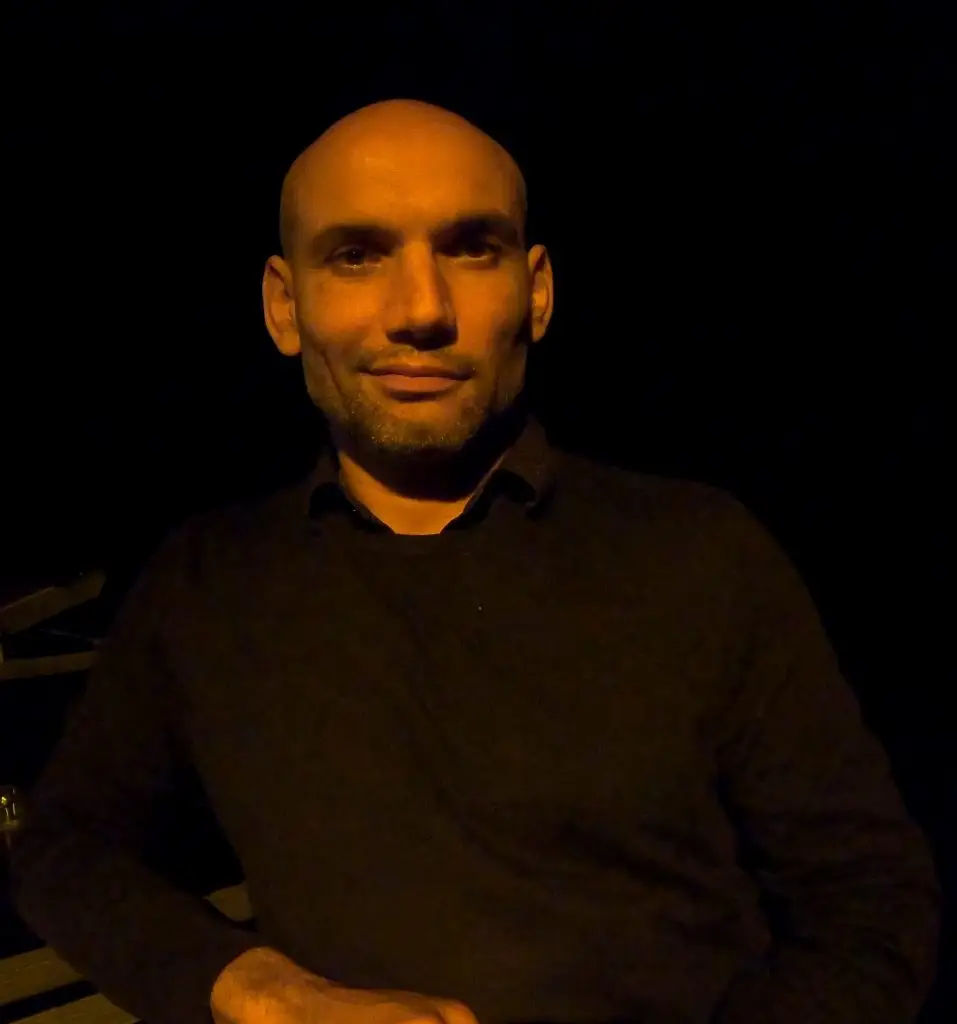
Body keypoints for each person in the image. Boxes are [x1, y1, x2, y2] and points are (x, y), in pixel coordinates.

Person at [9, 98, 940, 1024]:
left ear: (536, 291)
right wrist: (257, 993)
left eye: (470, 249)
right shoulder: (206, 585)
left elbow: (869, 905)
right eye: (357, 255)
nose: (421, 310)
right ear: (285, 307)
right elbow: (65, 850)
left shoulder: (700, 551)